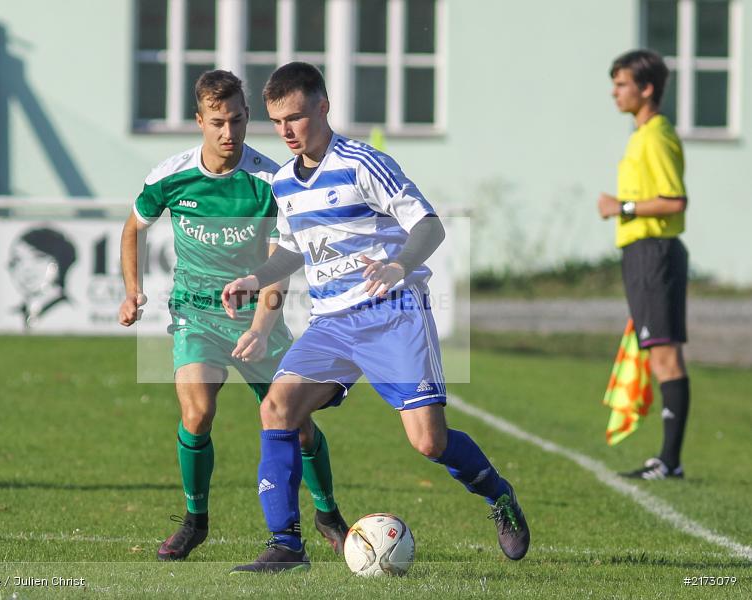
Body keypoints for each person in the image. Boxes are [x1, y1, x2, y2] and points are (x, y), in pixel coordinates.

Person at [222, 62, 530, 574]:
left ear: (323, 106)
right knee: (277, 409)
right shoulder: (283, 183)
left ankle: (499, 496)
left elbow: (429, 227)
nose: (286, 132)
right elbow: (292, 254)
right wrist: (255, 279)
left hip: (394, 315)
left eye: (295, 117)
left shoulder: (364, 162)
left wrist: (398, 265)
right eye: (277, 122)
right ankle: (286, 545)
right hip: (331, 326)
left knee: (429, 442)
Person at [118, 70, 349, 561]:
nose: (230, 133)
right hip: (196, 316)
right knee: (197, 413)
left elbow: (279, 264)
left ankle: (327, 513)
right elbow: (133, 227)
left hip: (256, 318)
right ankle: (194, 520)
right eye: (218, 122)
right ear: (199, 120)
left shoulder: (270, 180)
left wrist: (262, 329)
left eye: (239, 121)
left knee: (298, 424)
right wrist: (132, 291)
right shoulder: (170, 177)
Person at [598, 50, 690, 480]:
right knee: (656, 354)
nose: (615, 93)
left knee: (666, 354)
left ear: (646, 88)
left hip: (655, 251)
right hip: (640, 253)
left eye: (622, 84)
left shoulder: (655, 135)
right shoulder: (640, 135)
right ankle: (666, 459)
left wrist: (623, 206)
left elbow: (675, 200)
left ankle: (670, 461)